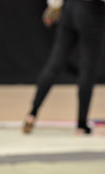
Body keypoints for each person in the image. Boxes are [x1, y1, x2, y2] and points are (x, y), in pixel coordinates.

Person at [23, 0, 105, 135]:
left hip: (69, 8)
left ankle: (32, 114)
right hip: (91, 10)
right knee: (88, 68)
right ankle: (81, 124)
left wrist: (53, 6)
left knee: (54, 63)